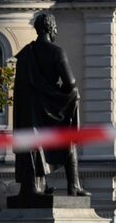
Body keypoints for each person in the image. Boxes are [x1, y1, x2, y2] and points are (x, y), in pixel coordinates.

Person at [12, 12, 87, 199]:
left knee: (33, 145)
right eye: (55, 28)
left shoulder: (24, 55)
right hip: (50, 109)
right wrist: (67, 96)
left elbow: (21, 89)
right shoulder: (56, 52)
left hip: (30, 113)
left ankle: (33, 186)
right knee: (69, 137)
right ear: (51, 28)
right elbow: (70, 82)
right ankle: (73, 186)